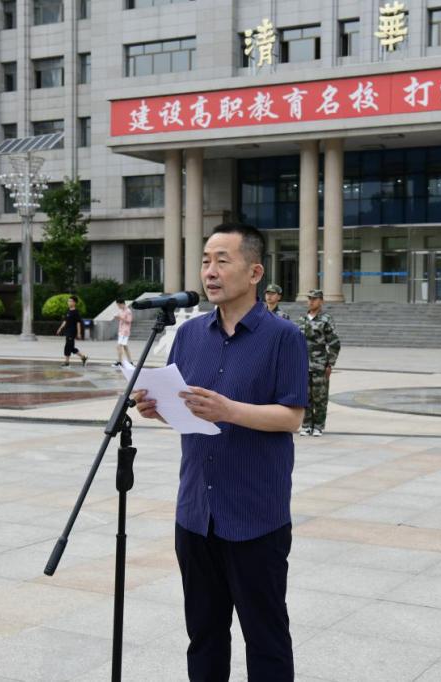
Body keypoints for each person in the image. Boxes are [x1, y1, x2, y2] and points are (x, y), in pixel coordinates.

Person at [133, 222, 308, 681]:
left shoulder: (283, 337)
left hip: (255, 515)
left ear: (255, 272)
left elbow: (291, 416)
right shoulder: (189, 335)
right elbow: (188, 410)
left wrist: (230, 410)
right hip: (196, 514)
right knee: (204, 634)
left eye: (222, 261)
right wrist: (159, 409)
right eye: (206, 261)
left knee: (266, 638)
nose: (210, 271)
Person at [297, 289, 341, 437]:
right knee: (305, 396)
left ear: (321, 301)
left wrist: (330, 364)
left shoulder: (326, 319)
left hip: (320, 364)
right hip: (303, 365)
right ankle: (306, 425)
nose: (311, 301)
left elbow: (334, 343)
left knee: (320, 397)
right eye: (309, 299)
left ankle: (318, 426)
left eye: (314, 299)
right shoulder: (301, 319)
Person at [55, 295, 88, 367]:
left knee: (67, 346)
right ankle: (83, 357)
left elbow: (78, 323)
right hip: (67, 331)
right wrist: (60, 328)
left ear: (74, 303)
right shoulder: (68, 311)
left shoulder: (76, 312)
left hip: (72, 332)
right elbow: (65, 321)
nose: (68, 302)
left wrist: (79, 333)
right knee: (71, 347)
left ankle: (67, 362)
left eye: (70, 301)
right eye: (68, 301)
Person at [111, 298, 133, 367]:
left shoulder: (128, 311)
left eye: (118, 305)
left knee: (119, 346)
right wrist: (117, 317)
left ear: (122, 304)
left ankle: (119, 362)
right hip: (121, 330)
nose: (118, 306)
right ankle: (130, 361)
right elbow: (120, 318)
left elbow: (129, 320)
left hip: (125, 331)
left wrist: (120, 317)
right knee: (125, 346)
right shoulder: (121, 310)